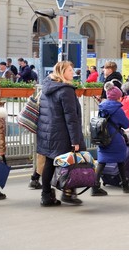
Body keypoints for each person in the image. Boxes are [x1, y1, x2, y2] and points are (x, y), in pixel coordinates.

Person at [36, 61, 85, 206]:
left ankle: (46, 195)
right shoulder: (66, 90)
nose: (73, 73)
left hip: (47, 132)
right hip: (63, 133)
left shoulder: (47, 87)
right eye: (70, 70)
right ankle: (68, 193)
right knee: (71, 163)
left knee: (50, 163)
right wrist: (75, 140)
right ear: (62, 72)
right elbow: (71, 118)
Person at [92, 80, 129, 196]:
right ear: (117, 97)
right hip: (115, 139)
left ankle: (95, 186)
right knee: (120, 161)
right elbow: (126, 124)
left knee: (101, 162)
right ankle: (125, 184)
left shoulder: (102, 107)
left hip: (103, 138)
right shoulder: (118, 109)